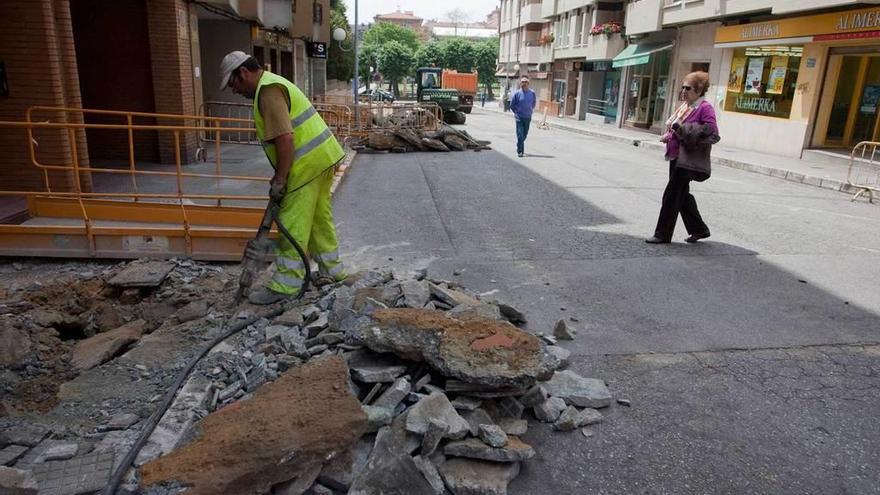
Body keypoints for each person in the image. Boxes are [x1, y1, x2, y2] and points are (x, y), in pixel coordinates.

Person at [219, 51, 347, 304]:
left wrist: (280, 179)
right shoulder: (274, 83)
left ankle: (286, 285)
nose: (234, 90)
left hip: (306, 165)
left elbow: (285, 139)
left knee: (291, 222)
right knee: (319, 219)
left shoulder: (267, 92)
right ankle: (333, 272)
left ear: (243, 72)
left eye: (233, 83)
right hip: (323, 158)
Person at [646, 71, 719, 244]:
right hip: (676, 157)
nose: (683, 91)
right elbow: (676, 128)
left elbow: (712, 132)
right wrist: (670, 134)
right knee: (682, 195)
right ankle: (700, 229)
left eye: (688, 88)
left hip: (687, 160)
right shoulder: (686, 106)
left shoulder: (704, 107)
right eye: (683, 87)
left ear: (699, 90)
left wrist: (684, 130)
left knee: (671, 196)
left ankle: (662, 234)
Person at [509, 76, 536, 158]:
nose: (524, 84)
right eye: (522, 82)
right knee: (520, 134)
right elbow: (512, 105)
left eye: (525, 82)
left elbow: (533, 103)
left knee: (525, 134)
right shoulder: (517, 93)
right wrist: (516, 113)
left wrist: (530, 110)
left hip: (527, 116)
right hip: (519, 117)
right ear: (520, 84)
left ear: (528, 84)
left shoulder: (532, 93)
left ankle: (519, 144)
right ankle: (520, 151)